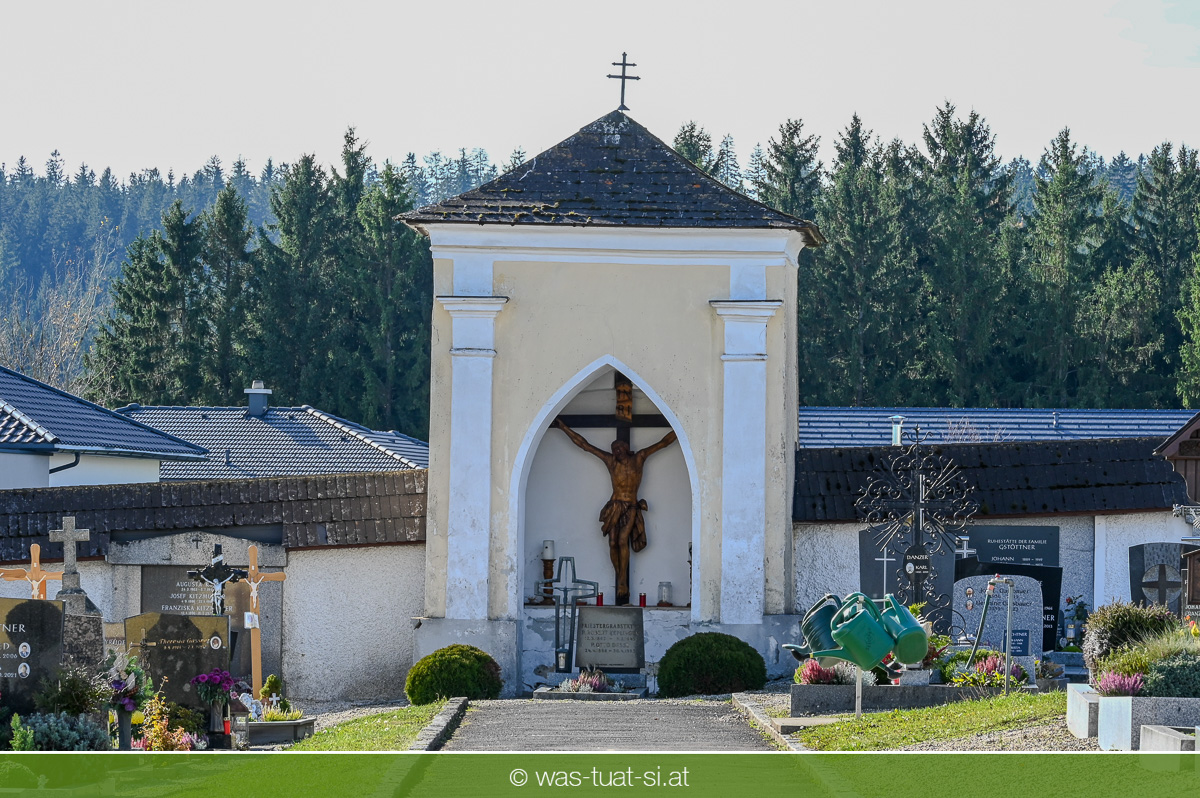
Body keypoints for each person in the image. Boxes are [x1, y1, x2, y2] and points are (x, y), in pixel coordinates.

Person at [551, 417, 677, 605]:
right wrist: (563, 427)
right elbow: (585, 445)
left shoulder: (639, 458)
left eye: (618, 448)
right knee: (612, 543)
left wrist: (682, 427)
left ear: (626, 448)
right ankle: (620, 576)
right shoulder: (611, 462)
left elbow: (663, 443)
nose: (616, 451)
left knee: (622, 540)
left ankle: (622, 581)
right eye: (613, 449)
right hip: (614, 506)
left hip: (631, 505)